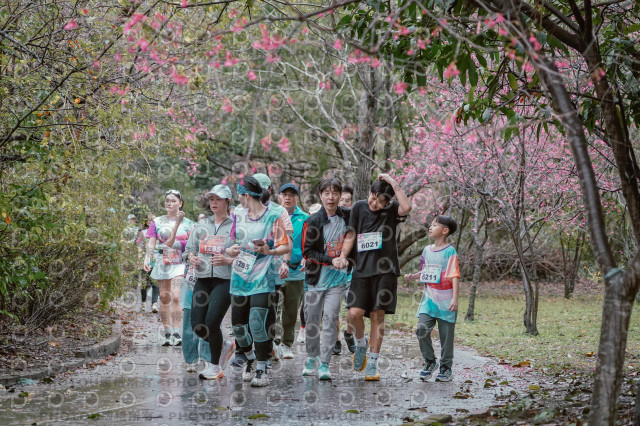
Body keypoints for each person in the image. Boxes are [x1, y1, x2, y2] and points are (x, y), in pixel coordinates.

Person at [338, 174, 412, 381]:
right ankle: (361, 344)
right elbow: (351, 234)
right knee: (354, 314)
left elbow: (407, 207)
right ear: (369, 193)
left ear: (387, 202)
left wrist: (393, 183)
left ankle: (372, 363)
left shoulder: (391, 210)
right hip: (362, 268)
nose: (375, 203)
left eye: (381, 201)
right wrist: (343, 255)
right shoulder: (358, 207)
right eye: (373, 197)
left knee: (377, 316)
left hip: (385, 271)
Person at [225, 176, 291, 387]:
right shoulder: (238, 215)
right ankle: (250, 358)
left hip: (263, 278)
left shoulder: (273, 216)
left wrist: (269, 251)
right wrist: (231, 250)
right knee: (238, 327)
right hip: (239, 278)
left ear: (246, 195)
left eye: (239, 195)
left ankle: (262, 368)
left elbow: (286, 246)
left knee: (256, 322)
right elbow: (229, 244)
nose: (238, 199)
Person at [301, 178, 351, 380]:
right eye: (327, 193)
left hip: (337, 281)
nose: (331, 197)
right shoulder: (312, 221)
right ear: (320, 195)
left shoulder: (347, 216)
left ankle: (325, 363)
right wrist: (331, 260)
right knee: (312, 320)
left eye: (335, 193)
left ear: (340, 195)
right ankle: (312, 357)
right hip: (315, 279)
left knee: (331, 319)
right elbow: (307, 252)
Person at [184, 184, 236, 379]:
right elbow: (189, 250)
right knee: (197, 324)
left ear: (228, 201)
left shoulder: (235, 226)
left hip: (225, 279)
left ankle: (214, 366)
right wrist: (192, 258)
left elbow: (244, 253)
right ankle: (224, 345)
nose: (214, 203)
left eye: (218, 199)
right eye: (211, 199)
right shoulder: (202, 225)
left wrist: (228, 260)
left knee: (212, 321)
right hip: (203, 278)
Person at [404, 216, 460, 382]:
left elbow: (454, 275)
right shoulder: (426, 250)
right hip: (428, 300)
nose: (430, 227)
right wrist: (413, 276)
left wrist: (455, 299)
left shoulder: (450, 251)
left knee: (446, 337)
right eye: (431, 224)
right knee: (421, 329)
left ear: (445, 231)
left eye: (435, 225)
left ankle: (446, 368)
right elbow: (426, 271)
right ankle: (430, 362)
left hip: (446, 301)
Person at [144, 190, 194, 346]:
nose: (170, 203)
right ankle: (167, 331)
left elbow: (193, 243)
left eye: (173, 201)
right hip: (162, 261)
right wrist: (147, 258)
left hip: (179, 262)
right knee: (164, 297)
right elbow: (151, 242)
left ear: (180, 203)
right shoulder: (157, 221)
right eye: (167, 200)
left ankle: (177, 332)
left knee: (176, 296)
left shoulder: (188, 223)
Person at [252, 173, 293, 363]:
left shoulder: (279, 211)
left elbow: (288, 239)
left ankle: (267, 350)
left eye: (262, 188)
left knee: (269, 310)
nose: (259, 192)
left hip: (271, 270)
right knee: (249, 309)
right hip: (249, 271)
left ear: (269, 190)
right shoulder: (244, 210)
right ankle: (250, 349)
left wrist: (285, 262)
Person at [275, 183, 308, 359]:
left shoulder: (305, 218)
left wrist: (306, 257)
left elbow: (310, 243)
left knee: (290, 310)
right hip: (273, 270)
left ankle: (286, 344)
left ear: (297, 198)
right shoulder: (271, 215)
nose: (287, 198)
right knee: (272, 308)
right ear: (279, 197)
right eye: (284, 194)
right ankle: (273, 342)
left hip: (296, 272)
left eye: (291, 195)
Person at [333, 185, 356, 355]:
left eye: (347, 201)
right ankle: (336, 340)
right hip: (332, 272)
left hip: (352, 272)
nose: (343, 203)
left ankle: (349, 333)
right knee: (333, 310)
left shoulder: (356, 221)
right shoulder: (328, 220)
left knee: (353, 310)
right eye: (341, 199)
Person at [136, 215, 159, 313]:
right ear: (146, 222)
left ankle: (154, 304)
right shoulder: (143, 233)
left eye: (153, 220)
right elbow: (140, 247)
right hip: (145, 259)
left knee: (155, 283)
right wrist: (140, 259)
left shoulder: (160, 232)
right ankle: (143, 302)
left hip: (157, 260)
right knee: (144, 283)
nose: (151, 222)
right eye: (149, 220)